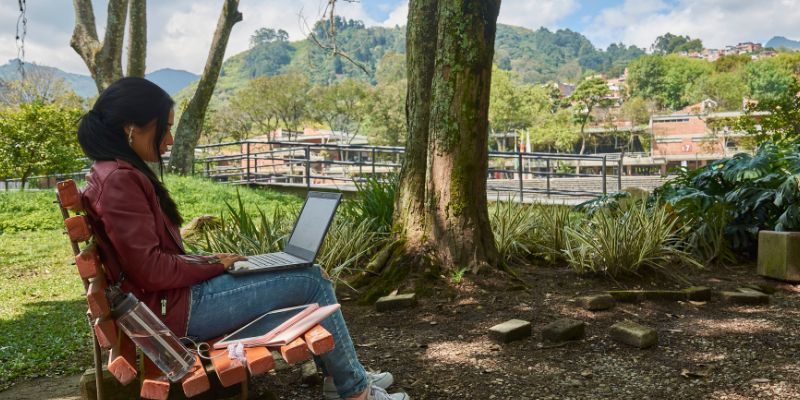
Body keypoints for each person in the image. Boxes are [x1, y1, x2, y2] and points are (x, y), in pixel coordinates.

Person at [77, 77, 408, 400]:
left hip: (171, 304)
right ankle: (354, 389)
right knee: (311, 281)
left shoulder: (113, 173)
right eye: (164, 128)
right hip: (173, 313)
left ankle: (345, 375)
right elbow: (152, 271)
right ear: (131, 128)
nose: (171, 139)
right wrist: (212, 267)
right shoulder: (120, 179)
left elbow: (151, 262)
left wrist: (216, 263)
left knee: (307, 273)